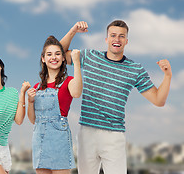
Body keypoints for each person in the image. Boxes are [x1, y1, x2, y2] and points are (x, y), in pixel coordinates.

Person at [60, 20, 172, 174]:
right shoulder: (89, 57)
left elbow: (159, 100)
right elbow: (58, 54)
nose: (117, 39)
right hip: (87, 132)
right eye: (113, 35)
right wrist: (73, 31)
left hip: (114, 136)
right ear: (106, 39)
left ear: (126, 41)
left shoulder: (135, 70)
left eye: (121, 36)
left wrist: (167, 76)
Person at [27, 36, 82, 174]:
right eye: (49, 54)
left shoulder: (68, 81)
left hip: (59, 139)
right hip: (39, 139)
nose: (54, 57)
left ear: (63, 58)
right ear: (43, 59)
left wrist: (76, 62)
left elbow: (76, 93)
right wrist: (30, 101)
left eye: (58, 54)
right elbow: (33, 120)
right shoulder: (37, 87)